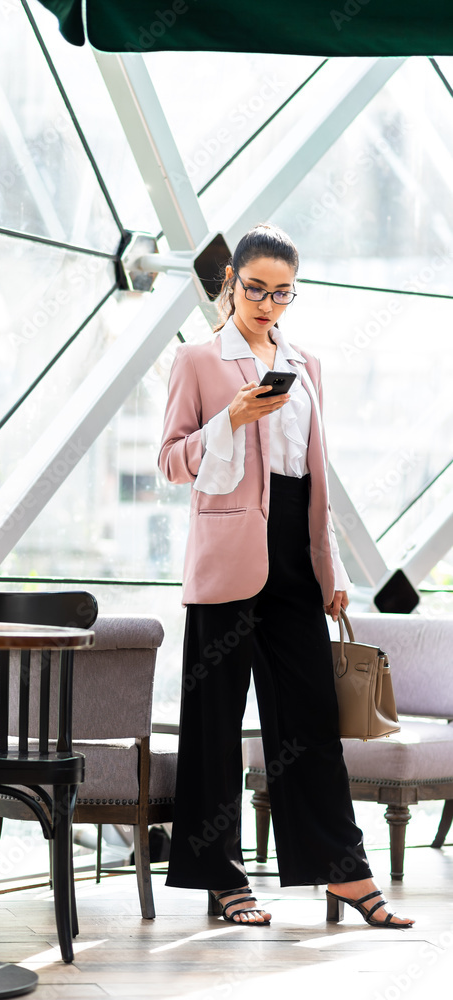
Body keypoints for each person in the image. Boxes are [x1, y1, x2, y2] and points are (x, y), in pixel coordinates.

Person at [158, 223, 414, 928]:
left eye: (282, 292)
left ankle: (343, 872)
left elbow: (313, 477)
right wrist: (231, 420)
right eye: (256, 289)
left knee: (310, 720)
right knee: (213, 722)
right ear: (230, 284)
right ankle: (221, 875)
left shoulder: (307, 364)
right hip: (227, 556)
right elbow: (171, 461)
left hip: (296, 557)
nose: (268, 304)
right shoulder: (200, 362)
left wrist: (328, 569)